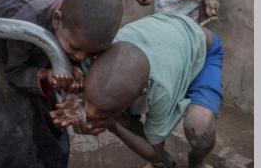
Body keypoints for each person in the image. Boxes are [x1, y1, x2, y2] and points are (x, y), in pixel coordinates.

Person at [0, 0, 124, 168]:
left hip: (39, 41)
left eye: (89, 53)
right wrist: (45, 74)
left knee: (47, 115)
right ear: (57, 19)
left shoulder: (78, 29)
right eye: (75, 49)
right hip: (3, 42)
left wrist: (75, 69)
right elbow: (14, 72)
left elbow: (80, 55)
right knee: (12, 116)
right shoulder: (24, 24)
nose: (81, 56)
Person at [51, 13, 224, 167]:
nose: (94, 112)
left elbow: (154, 150)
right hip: (166, 33)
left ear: (142, 92)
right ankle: (164, 162)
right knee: (118, 113)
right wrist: (83, 101)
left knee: (199, 127)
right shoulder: (94, 56)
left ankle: (197, 162)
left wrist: (111, 124)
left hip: (201, 46)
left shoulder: (161, 88)